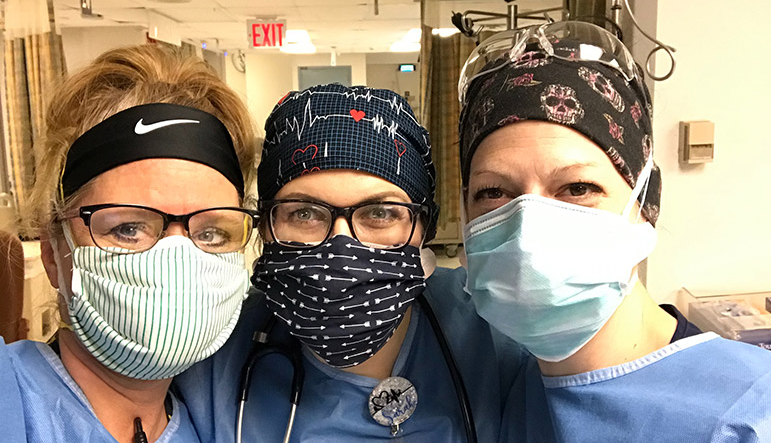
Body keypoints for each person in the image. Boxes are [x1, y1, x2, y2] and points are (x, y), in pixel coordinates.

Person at [456, 21, 771, 442]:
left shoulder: (752, 411)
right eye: (493, 191)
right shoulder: (507, 387)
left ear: (645, 203)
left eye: (578, 188)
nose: (526, 226)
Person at [174, 83, 525, 442]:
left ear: (424, 226)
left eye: (379, 212)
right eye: (305, 212)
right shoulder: (216, 355)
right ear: (265, 225)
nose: (341, 244)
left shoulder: (494, 331)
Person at [0, 44, 258, 442]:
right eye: (128, 228)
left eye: (210, 233)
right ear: (54, 252)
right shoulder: (12, 398)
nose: (178, 260)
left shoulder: (218, 425)